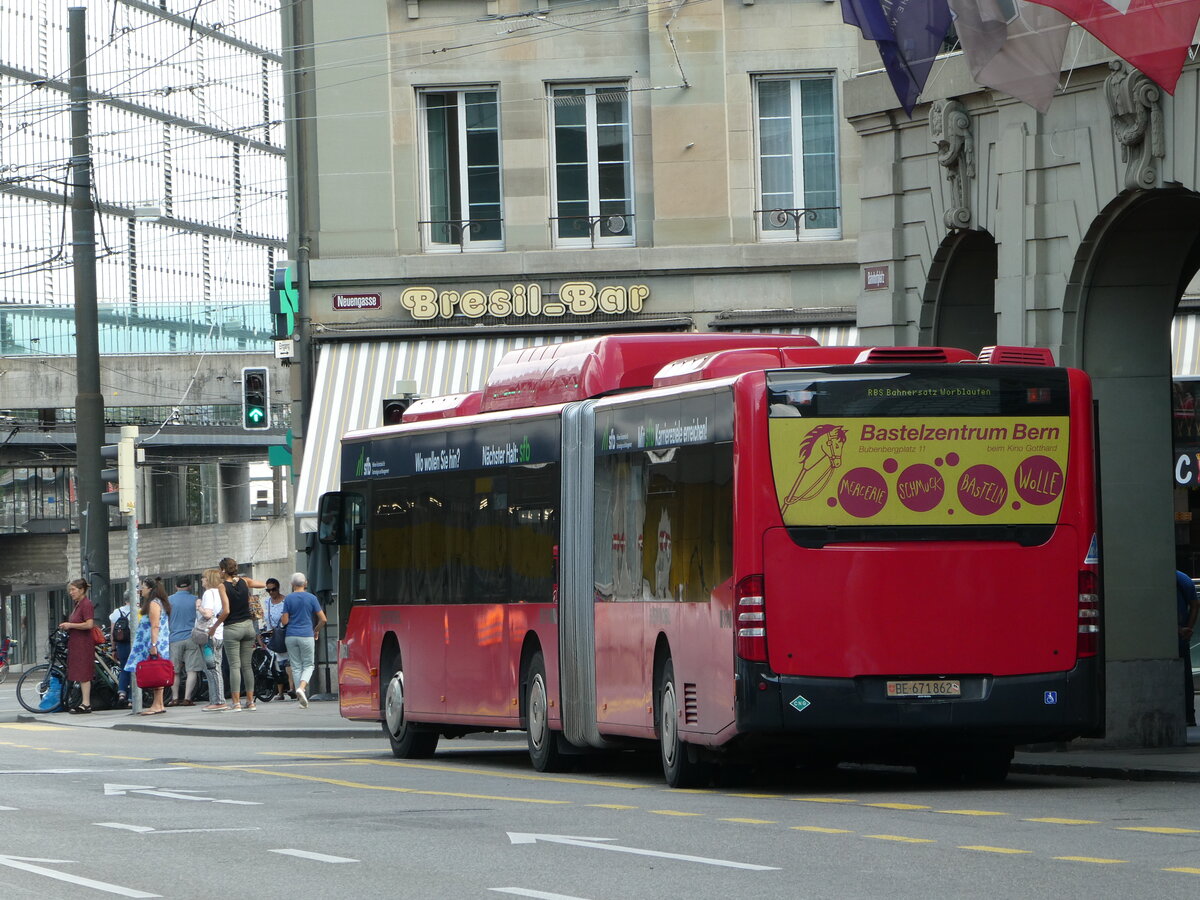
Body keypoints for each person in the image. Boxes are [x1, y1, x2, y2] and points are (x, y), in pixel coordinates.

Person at [218, 557, 267, 711]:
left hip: (232, 628)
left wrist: (214, 626)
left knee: (234, 666)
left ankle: (236, 702)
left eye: (220, 569)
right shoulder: (245, 582)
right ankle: (251, 702)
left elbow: (226, 611)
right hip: (248, 627)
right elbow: (263, 584)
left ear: (224, 570)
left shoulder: (222, 586)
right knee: (247, 666)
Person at [126, 577, 172, 715]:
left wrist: (153, 644)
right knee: (158, 671)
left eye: (143, 587)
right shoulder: (160, 603)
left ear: (150, 589)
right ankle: (159, 703)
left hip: (153, 642)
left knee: (155, 672)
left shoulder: (153, 604)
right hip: (159, 642)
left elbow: (155, 625)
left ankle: (157, 704)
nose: (140, 590)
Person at [281, 572, 326, 708]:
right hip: (307, 635)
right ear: (305, 583)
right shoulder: (312, 598)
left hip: (291, 636)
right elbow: (323, 619)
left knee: (295, 666)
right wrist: (316, 630)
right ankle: (301, 687)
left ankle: (300, 697)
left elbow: (284, 621)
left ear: (292, 584)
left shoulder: (288, 599)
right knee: (308, 665)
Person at [59, 578, 95, 714]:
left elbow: (89, 624)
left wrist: (70, 625)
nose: (71, 592)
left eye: (73, 589)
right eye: (70, 590)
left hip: (83, 643)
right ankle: (83, 702)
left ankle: (86, 703)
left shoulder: (86, 604)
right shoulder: (78, 604)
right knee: (80, 673)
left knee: (84, 673)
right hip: (76, 643)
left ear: (82, 590)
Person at [166, 576, 202, 706]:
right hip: (191, 638)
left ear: (176, 586)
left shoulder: (169, 600)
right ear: (190, 586)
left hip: (174, 639)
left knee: (174, 670)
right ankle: (187, 698)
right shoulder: (195, 600)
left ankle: (175, 698)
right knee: (191, 670)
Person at [198, 568, 229, 711]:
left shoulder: (208, 593)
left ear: (209, 579)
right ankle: (215, 699)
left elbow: (208, 614)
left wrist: (198, 606)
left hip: (209, 636)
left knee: (212, 668)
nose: (202, 580)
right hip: (219, 633)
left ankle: (218, 700)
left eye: (204, 578)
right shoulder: (221, 592)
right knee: (216, 666)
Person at [263, 578, 295, 700]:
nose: (271, 592)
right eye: (268, 590)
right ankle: (280, 692)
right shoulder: (267, 602)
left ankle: (291, 688)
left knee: (287, 662)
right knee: (275, 663)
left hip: (285, 632)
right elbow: (267, 619)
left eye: (273, 589)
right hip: (273, 634)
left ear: (278, 588)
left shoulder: (286, 601)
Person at [1177, 569, 1199, 727]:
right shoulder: (1182, 578)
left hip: (1179, 634)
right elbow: (1195, 604)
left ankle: (1189, 715)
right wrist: (1188, 628)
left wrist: (1186, 629)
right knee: (1185, 676)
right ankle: (1189, 716)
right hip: (1181, 633)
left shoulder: (1179, 579)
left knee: (1185, 676)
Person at [108, 591, 134, 708]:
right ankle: (132, 698)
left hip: (121, 645)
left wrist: (113, 649)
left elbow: (112, 633)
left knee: (124, 668)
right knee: (134, 670)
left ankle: (122, 693)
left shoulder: (116, 612)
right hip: (134, 645)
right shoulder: (138, 611)